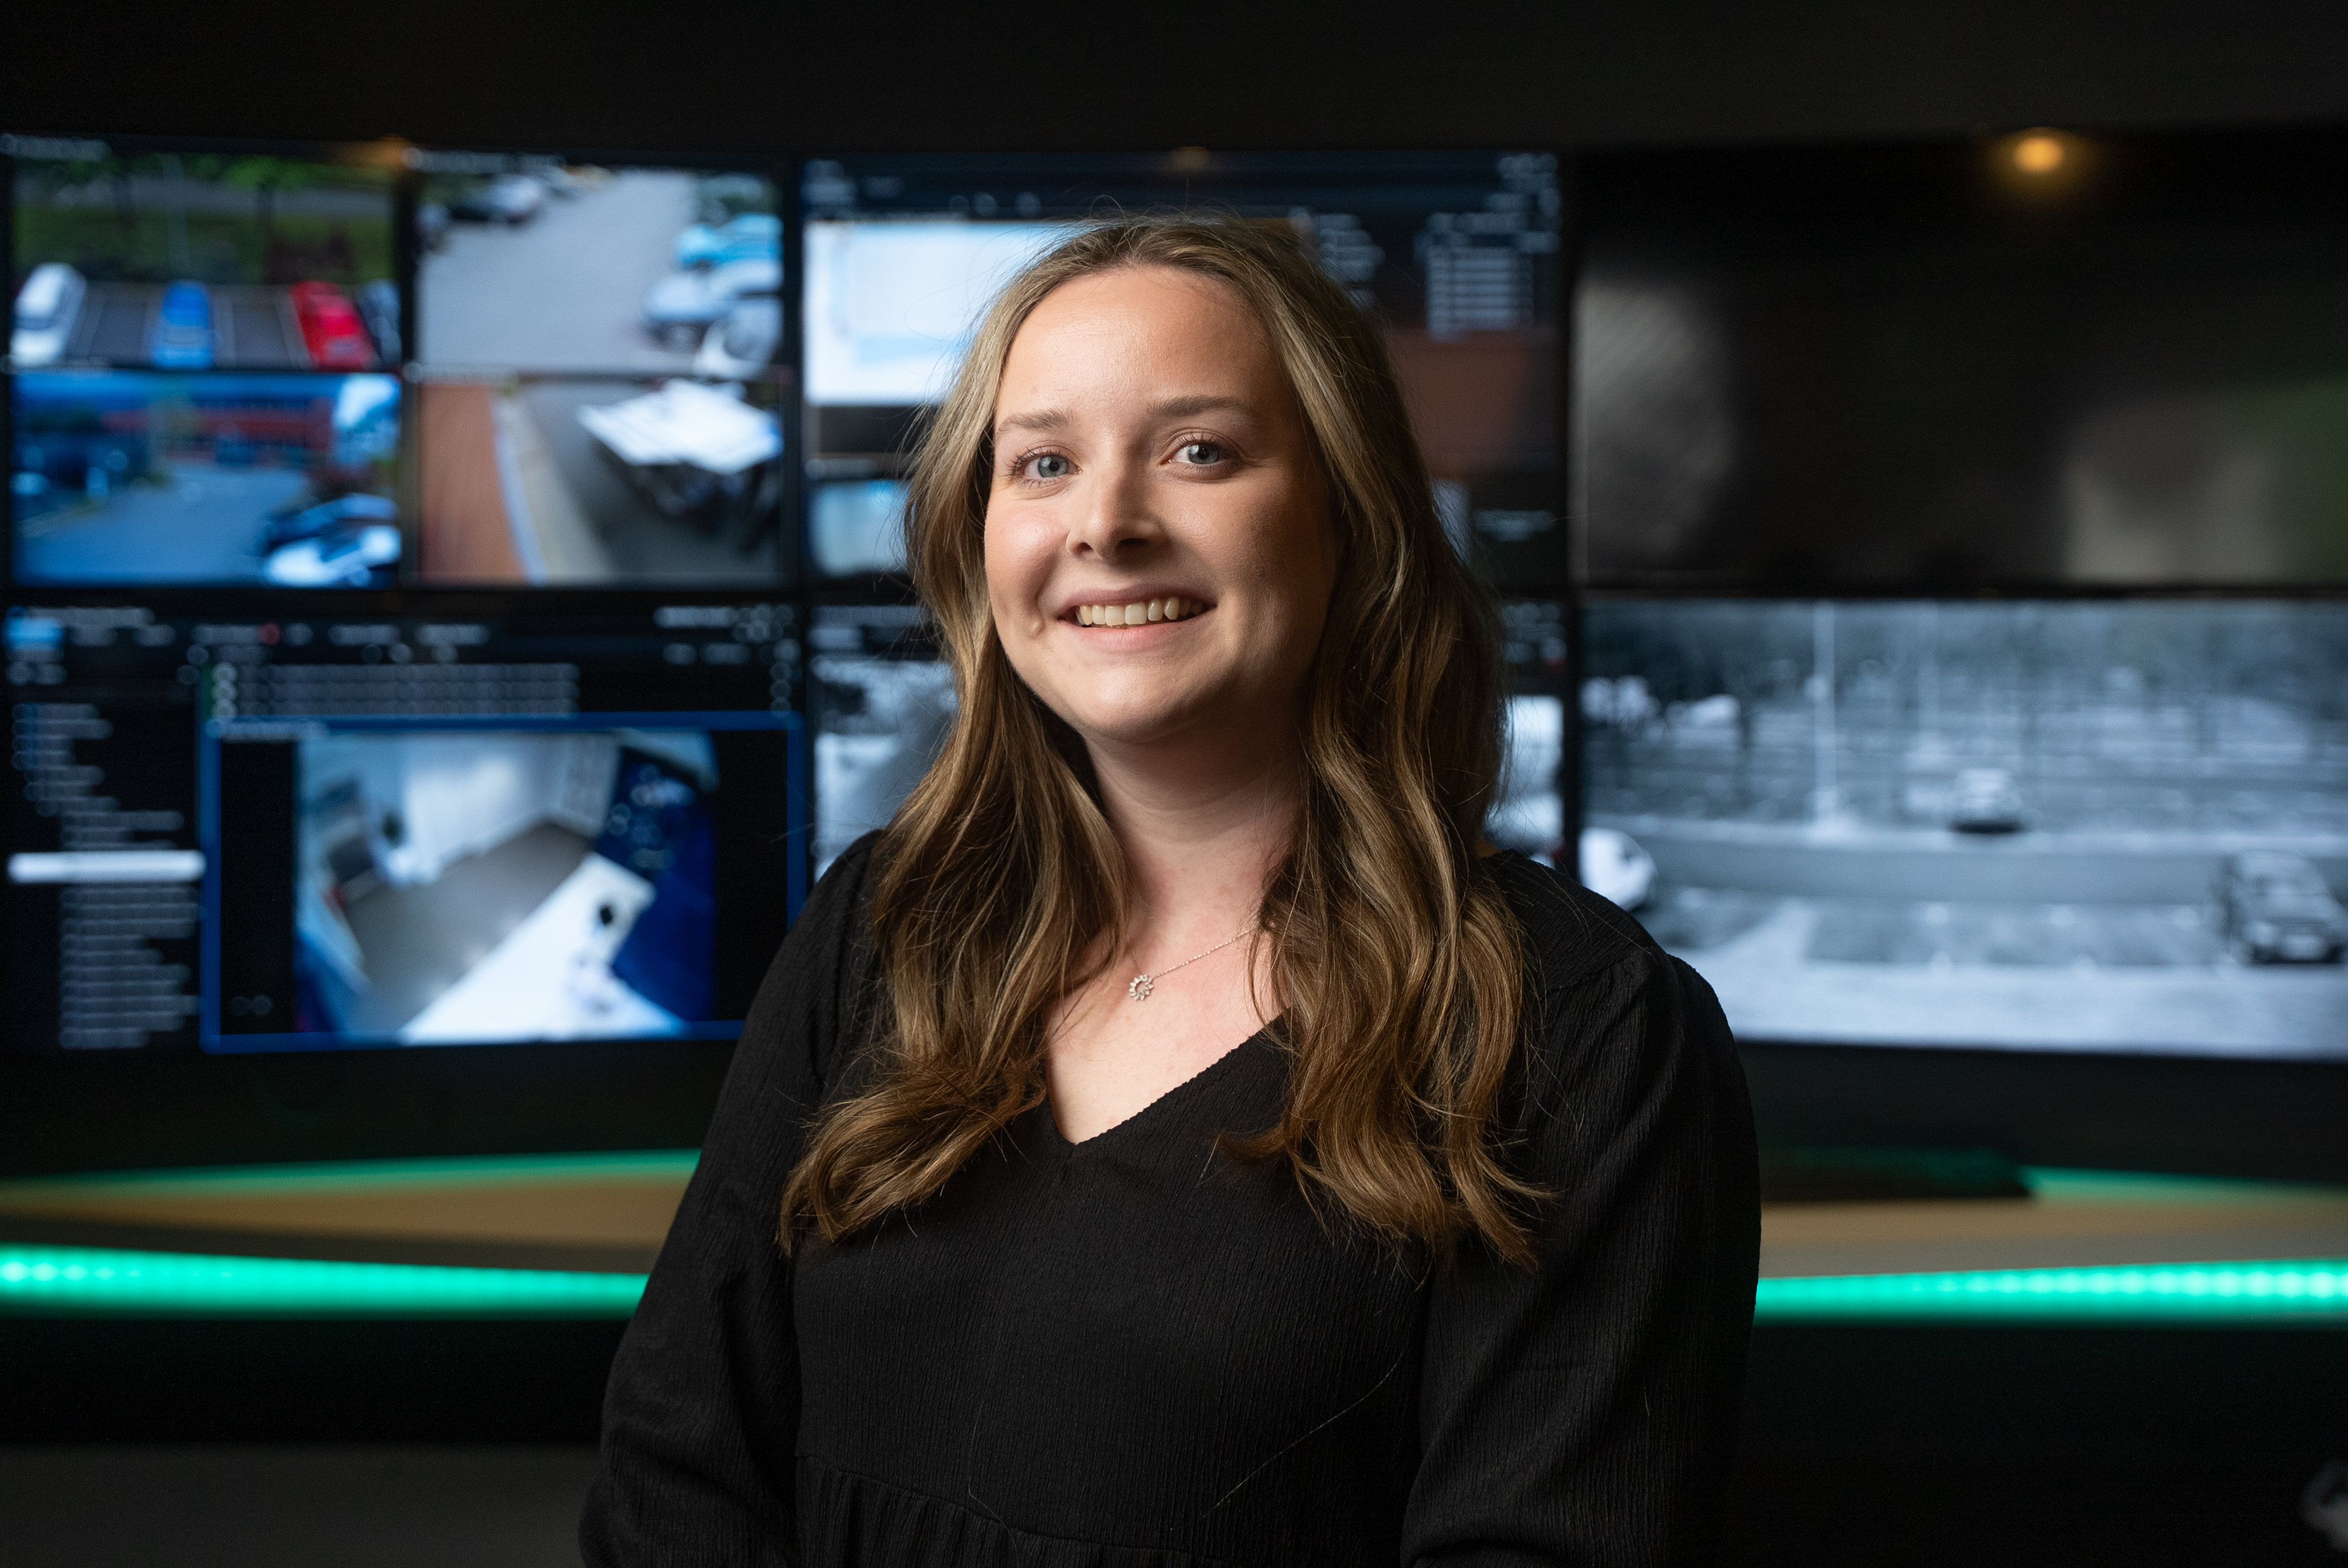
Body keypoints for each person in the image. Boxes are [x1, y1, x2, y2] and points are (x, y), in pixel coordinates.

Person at [581, 216, 1758, 1566]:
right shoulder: (883, 924)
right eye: (1042, 463)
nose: (1106, 524)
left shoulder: (1582, 1034)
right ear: (982, 539)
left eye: (1199, 451)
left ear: (1350, 514)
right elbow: (676, 1469)